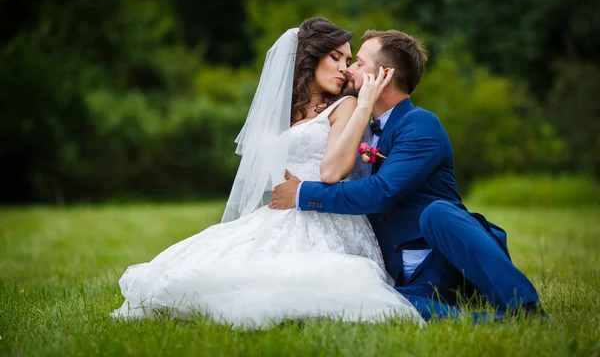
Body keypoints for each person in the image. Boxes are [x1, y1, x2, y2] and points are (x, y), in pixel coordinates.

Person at [110, 18, 424, 329]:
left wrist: (363, 108)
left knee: (294, 281)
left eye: (348, 59)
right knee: (211, 267)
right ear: (310, 56)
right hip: (280, 211)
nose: (344, 68)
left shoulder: (346, 106)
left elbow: (332, 171)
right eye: (336, 56)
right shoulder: (283, 113)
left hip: (325, 214)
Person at [270, 29, 546, 321]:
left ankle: (525, 307)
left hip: (446, 260)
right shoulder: (359, 126)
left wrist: (302, 193)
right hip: (402, 276)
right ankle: (488, 322)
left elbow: (381, 191)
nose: (348, 70)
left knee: (437, 213)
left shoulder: (420, 125)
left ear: (384, 76)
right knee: (375, 304)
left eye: (358, 63)